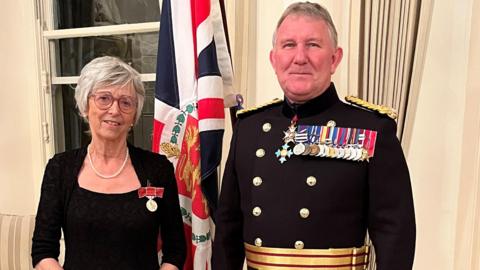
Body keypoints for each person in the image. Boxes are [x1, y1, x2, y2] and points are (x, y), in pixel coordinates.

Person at [212, 2, 415, 270]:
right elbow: (228, 229)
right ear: (273, 59)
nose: (299, 57)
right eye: (288, 45)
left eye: (313, 45)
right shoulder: (249, 128)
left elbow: (394, 233)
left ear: (335, 59)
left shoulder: (371, 128)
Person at [32, 56, 186, 270]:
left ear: (134, 115)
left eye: (126, 102)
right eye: (104, 98)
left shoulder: (158, 169)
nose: (114, 110)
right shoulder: (60, 169)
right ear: (85, 105)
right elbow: (43, 250)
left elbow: (175, 250)